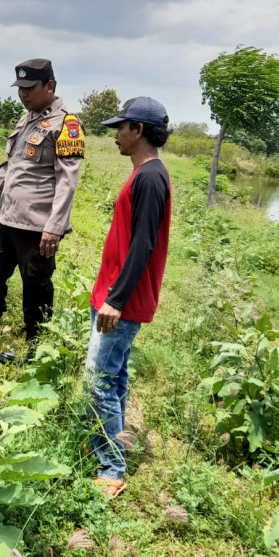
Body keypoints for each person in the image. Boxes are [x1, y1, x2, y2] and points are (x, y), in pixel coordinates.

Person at [0, 58, 84, 362]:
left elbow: (67, 181)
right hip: (7, 219)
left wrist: (55, 226)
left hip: (37, 227)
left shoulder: (66, 124)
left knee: (36, 287)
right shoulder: (26, 119)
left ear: (50, 86)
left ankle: (36, 348)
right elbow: (10, 167)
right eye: (20, 88)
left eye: (30, 88)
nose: (23, 94)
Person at [85, 96, 171, 499]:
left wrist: (116, 300)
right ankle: (112, 445)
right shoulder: (144, 174)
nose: (116, 134)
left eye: (121, 127)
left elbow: (143, 246)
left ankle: (111, 467)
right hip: (114, 295)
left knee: (98, 380)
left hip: (122, 301)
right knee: (114, 376)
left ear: (138, 130)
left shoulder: (150, 177)